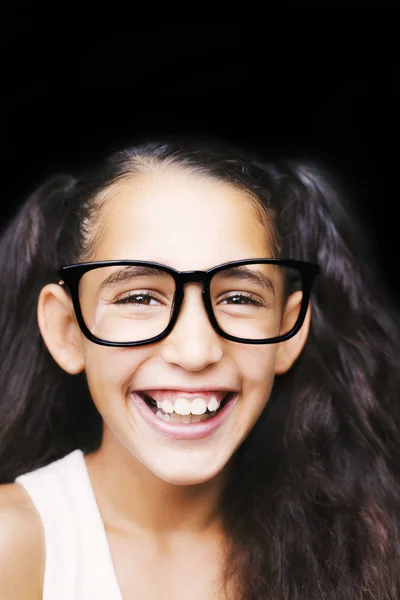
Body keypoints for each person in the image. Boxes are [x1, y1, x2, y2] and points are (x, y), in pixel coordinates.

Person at [0, 136, 399, 600]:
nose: (195, 351)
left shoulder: (364, 548)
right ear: (69, 330)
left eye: (238, 298)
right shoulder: (15, 543)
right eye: (140, 297)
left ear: (288, 332)